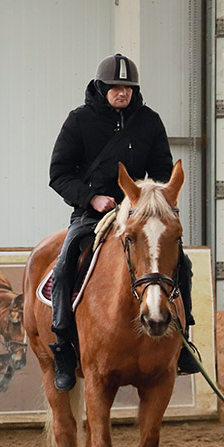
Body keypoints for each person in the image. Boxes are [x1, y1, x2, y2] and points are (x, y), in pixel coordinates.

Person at [48, 53, 197, 391]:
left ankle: (184, 339)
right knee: (65, 264)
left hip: (140, 214)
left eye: (128, 88)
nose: (122, 92)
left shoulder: (149, 122)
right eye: (115, 87)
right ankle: (63, 347)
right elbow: (59, 174)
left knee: (182, 264)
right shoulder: (79, 121)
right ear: (101, 88)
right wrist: (91, 198)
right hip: (92, 213)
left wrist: (148, 198)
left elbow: (162, 171)